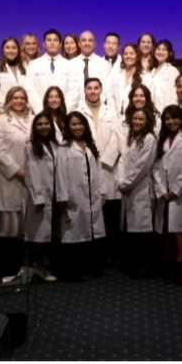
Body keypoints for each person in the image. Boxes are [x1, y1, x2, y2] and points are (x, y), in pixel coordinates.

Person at [76, 78, 121, 267]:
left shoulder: (112, 111)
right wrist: (92, 161)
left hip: (108, 168)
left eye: (96, 88)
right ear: (84, 90)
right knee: (90, 215)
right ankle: (93, 257)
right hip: (87, 167)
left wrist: (103, 161)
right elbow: (77, 137)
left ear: (101, 89)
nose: (93, 91)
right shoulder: (78, 112)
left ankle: (111, 255)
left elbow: (117, 138)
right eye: (89, 88)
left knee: (110, 214)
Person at [153, 105, 182, 284]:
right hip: (165, 195)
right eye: (167, 119)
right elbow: (155, 168)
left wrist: (176, 190)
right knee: (169, 234)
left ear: (181, 119)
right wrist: (162, 190)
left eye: (174, 118)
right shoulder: (162, 139)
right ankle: (174, 268)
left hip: (181, 195)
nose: (171, 122)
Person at [57, 112, 107, 280]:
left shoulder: (90, 146)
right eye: (73, 124)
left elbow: (99, 170)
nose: (77, 127)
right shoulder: (64, 148)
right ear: (68, 127)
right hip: (74, 197)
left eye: (80, 124)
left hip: (92, 196)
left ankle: (92, 267)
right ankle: (73, 271)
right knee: (74, 234)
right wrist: (63, 198)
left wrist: (103, 191)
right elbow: (60, 175)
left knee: (92, 232)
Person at [115, 108, 158, 278]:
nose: (137, 122)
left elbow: (142, 166)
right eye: (135, 119)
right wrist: (120, 180)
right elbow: (123, 160)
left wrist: (125, 183)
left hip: (141, 190)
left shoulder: (149, 139)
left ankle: (144, 266)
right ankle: (134, 264)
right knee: (131, 231)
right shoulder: (132, 137)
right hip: (129, 190)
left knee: (142, 232)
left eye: (141, 119)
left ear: (148, 121)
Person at [24, 112, 65, 281]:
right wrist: (38, 197)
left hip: (55, 194)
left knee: (51, 232)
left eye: (46, 124)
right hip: (40, 196)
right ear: (35, 127)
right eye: (40, 124)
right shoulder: (30, 146)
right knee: (38, 234)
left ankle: (46, 264)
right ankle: (39, 266)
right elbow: (31, 173)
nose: (43, 127)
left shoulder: (55, 144)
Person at [0, 86, 34, 237]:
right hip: (9, 177)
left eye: (22, 98)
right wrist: (18, 171)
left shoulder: (33, 119)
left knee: (29, 222)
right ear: (9, 100)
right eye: (15, 98)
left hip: (31, 176)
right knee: (9, 226)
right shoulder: (2, 121)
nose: (19, 101)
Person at [27, 29, 81, 112]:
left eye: (55, 40)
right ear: (44, 44)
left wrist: (63, 111)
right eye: (49, 40)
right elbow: (30, 91)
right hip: (40, 114)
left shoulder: (69, 65)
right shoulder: (34, 65)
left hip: (63, 114)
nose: (52, 43)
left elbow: (74, 91)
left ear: (60, 44)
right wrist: (41, 112)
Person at [108, 44, 153, 116]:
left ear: (137, 56)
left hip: (136, 119)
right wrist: (113, 114)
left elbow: (148, 99)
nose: (128, 56)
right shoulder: (116, 74)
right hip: (115, 118)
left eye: (132, 53)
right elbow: (110, 95)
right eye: (125, 54)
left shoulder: (145, 76)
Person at [0, 37, 29, 114]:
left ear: (18, 50)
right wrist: (7, 108)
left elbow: (29, 88)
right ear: (3, 50)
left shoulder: (25, 66)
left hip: (24, 110)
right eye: (7, 48)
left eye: (14, 48)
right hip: (5, 110)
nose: (11, 51)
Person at [68, 30, 110, 101]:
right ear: (79, 43)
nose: (87, 43)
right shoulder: (70, 64)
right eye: (84, 40)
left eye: (90, 40)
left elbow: (106, 90)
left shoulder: (104, 64)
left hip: (97, 108)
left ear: (94, 44)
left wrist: (94, 106)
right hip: (75, 109)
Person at [151, 39, 179, 113]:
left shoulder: (172, 71)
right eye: (158, 49)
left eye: (164, 50)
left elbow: (172, 97)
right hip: (149, 113)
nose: (160, 52)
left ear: (170, 53)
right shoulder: (152, 70)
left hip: (163, 113)